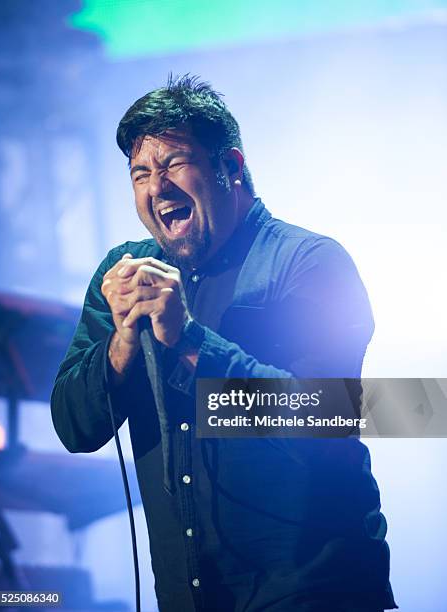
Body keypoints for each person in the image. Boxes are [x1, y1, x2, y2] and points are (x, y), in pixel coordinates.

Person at [51, 75, 397, 612]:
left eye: (171, 165)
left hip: (315, 591)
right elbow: (74, 428)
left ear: (230, 167)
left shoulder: (309, 263)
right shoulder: (126, 276)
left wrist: (188, 341)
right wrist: (122, 344)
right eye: (140, 172)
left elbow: (327, 418)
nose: (155, 188)